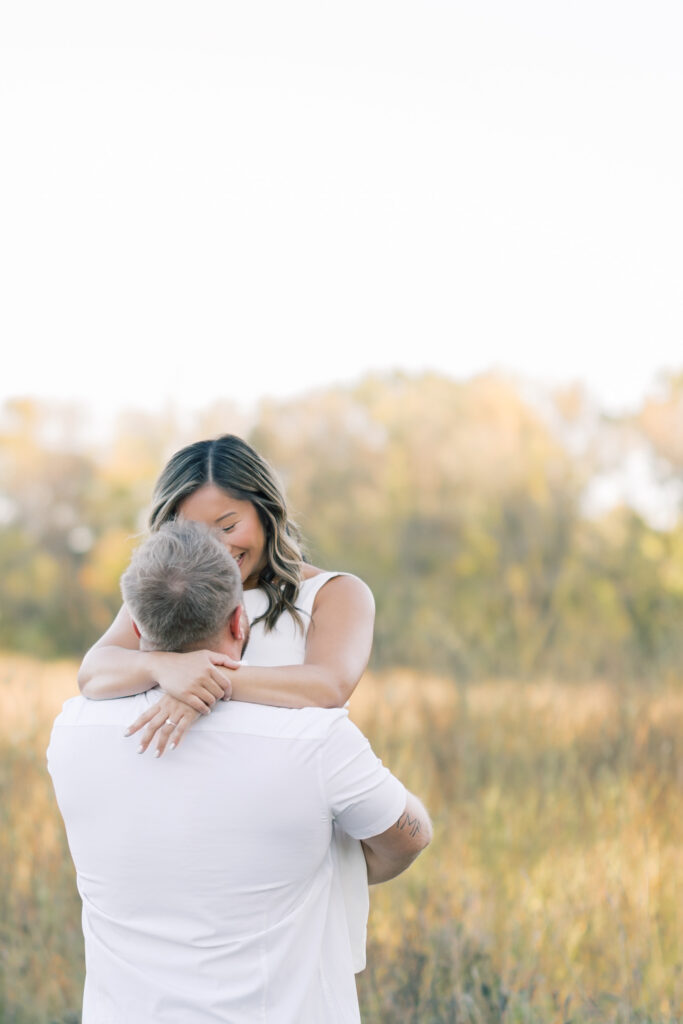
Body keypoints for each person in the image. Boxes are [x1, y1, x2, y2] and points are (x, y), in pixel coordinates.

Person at [48, 520, 432, 1023]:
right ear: (239, 622)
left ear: (138, 628)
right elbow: (411, 835)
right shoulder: (314, 740)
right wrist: (323, 866)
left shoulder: (71, 732)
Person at [77, 434, 376, 968]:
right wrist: (159, 665)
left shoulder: (334, 593)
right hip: (198, 839)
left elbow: (327, 684)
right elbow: (94, 672)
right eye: (193, 531)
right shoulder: (173, 588)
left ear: (266, 512)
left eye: (229, 525)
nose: (216, 547)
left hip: (290, 827)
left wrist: (204, 684)